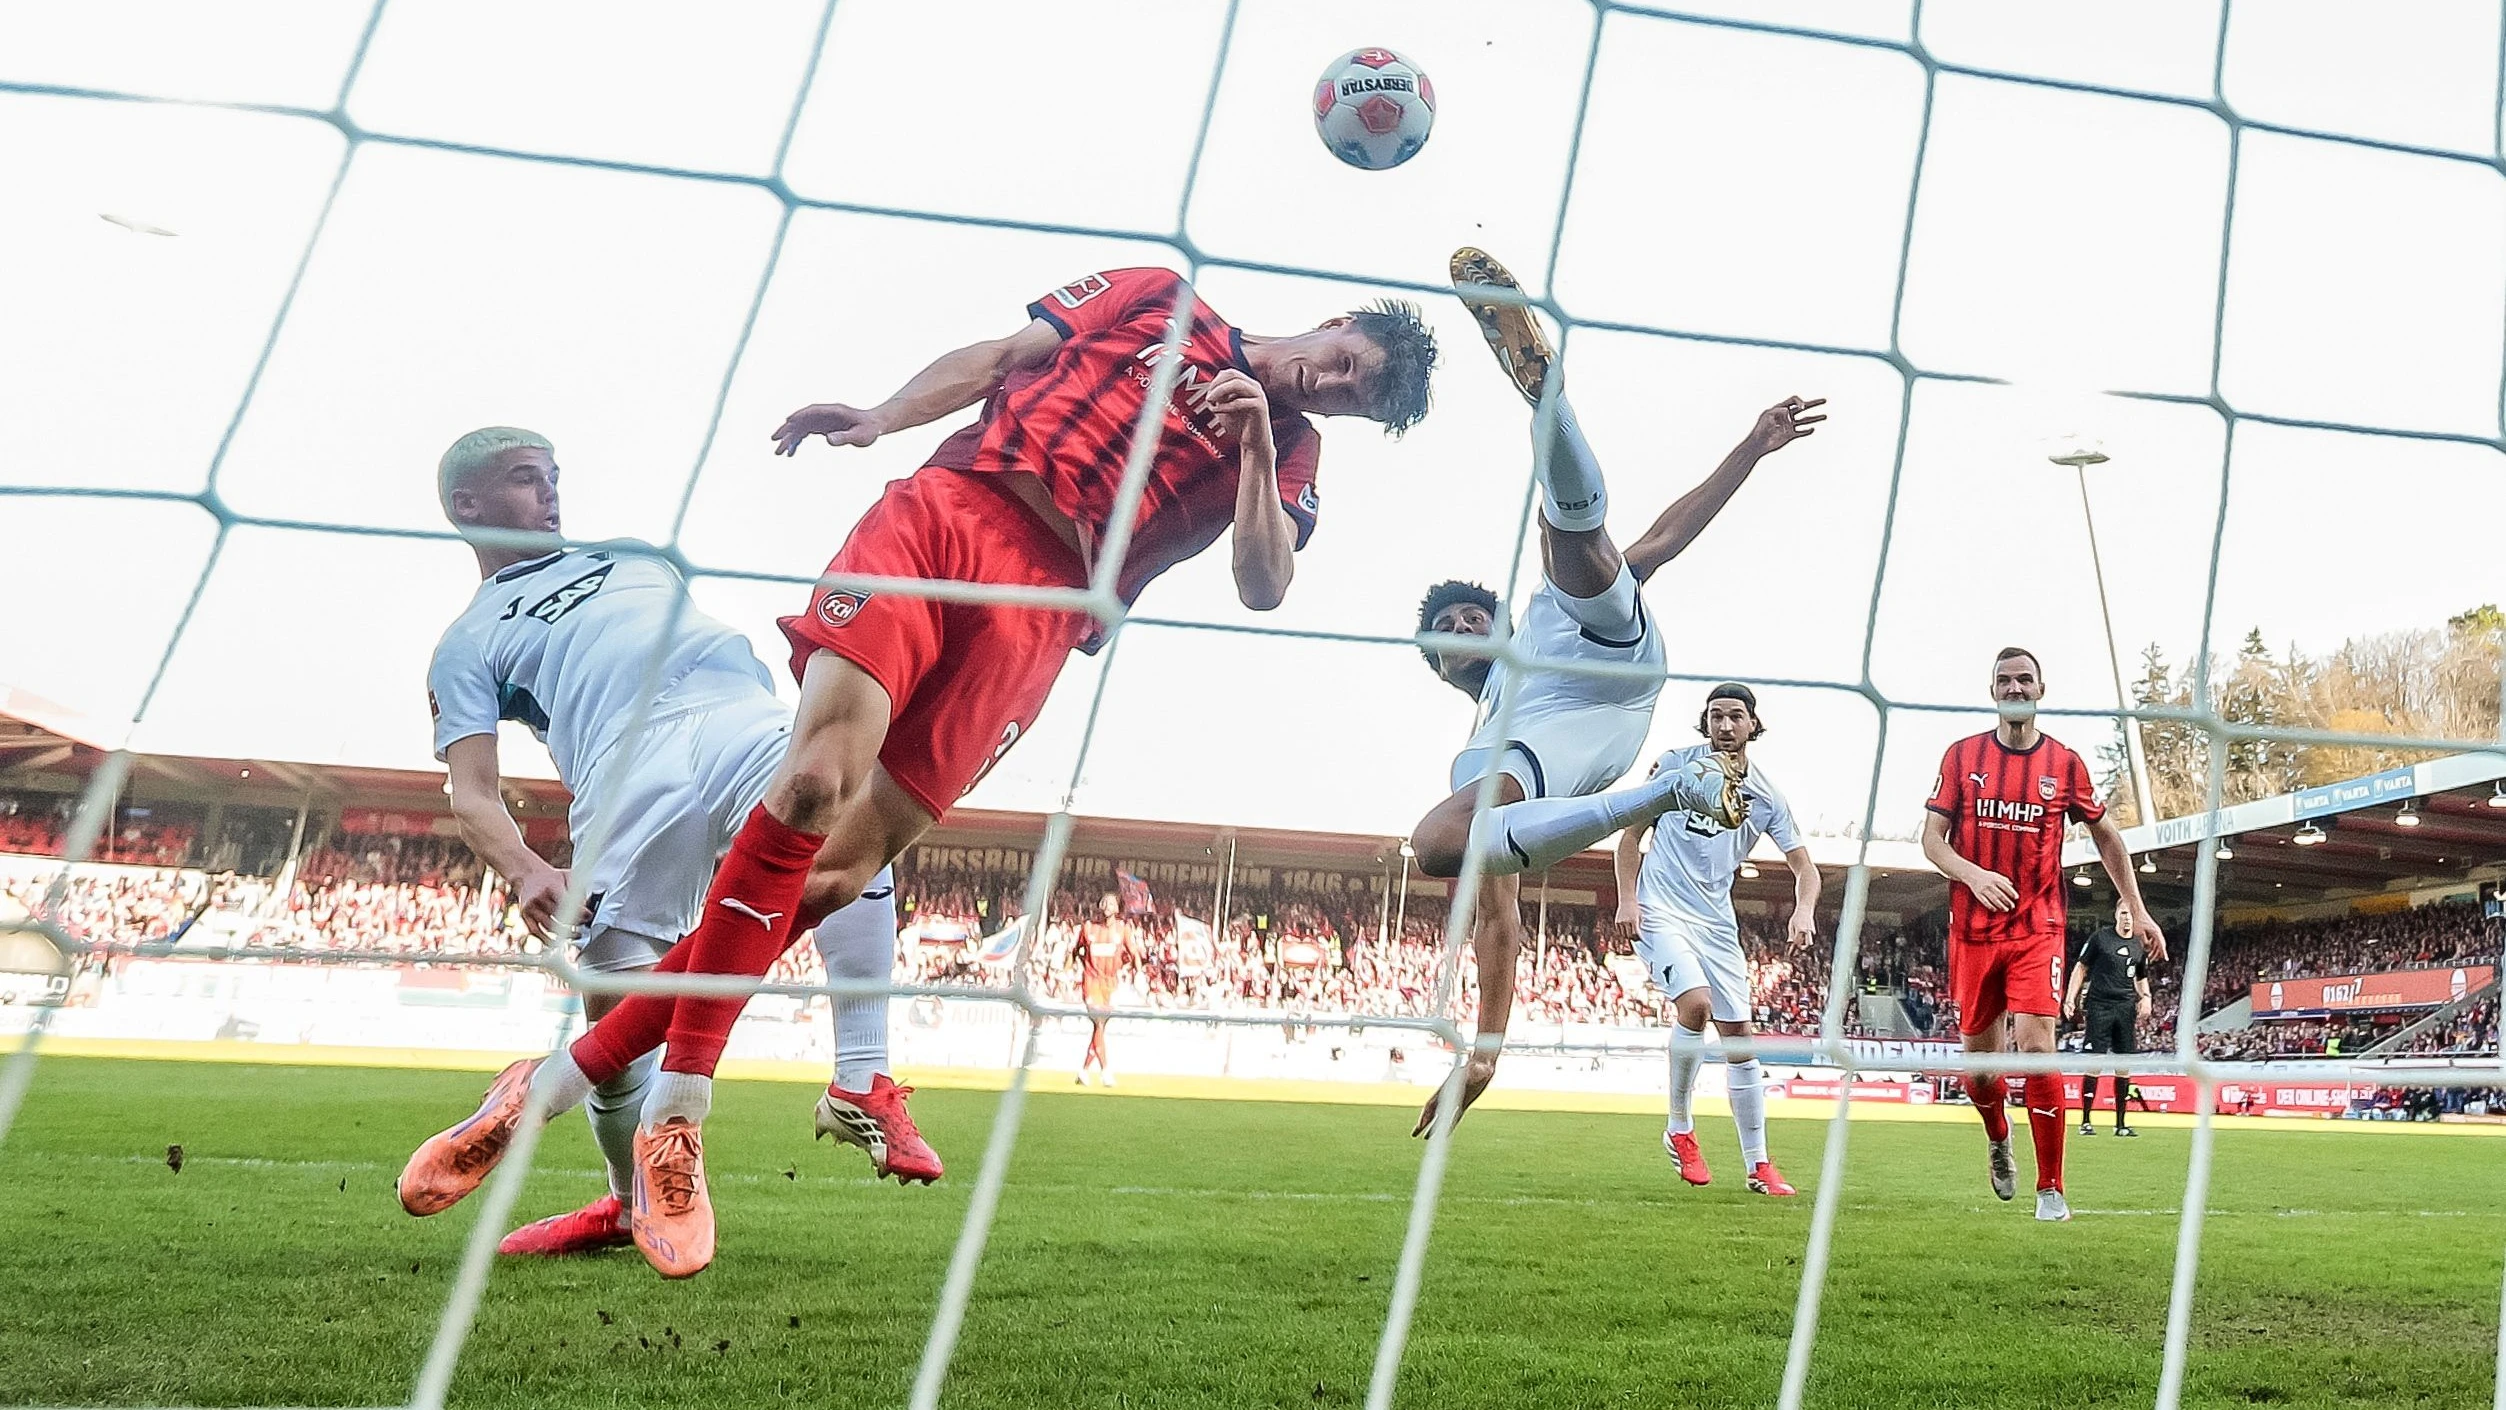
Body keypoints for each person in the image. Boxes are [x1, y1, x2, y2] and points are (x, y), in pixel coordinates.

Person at [402, 269, 1439, 1276]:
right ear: (1335, 320)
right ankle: (681, 1117)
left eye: (1352, 397)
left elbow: (1264, 583)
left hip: (1043, 614)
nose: (1332, 386)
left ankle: (548, 1085)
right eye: (1342, 362)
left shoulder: (1289, 448)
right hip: (948, 511)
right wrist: (882, 415)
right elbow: (999, 357)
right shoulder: (1157, 296)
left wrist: (1258, 443)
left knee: (836, 878)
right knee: (810, 785)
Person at [397, 428, 940, 1270]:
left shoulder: (635, 557)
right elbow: (471, 789)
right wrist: (528, 869)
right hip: (622, 773)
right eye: (522, 480)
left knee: (848, 817)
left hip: (733, 714)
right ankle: (627, 1201)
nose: (548, 492)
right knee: (616, 1032)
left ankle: (862, 1075)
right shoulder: (466, 642)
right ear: (467, 506)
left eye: (551, 475)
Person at [1406, 248, 1822, 1134]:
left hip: (1599, 642)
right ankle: (1663, 792)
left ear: (1490, 618)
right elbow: (1498, 926)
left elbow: (1664, 539)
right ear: (1442, 670)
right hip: (1589, 729)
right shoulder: (1479, 753)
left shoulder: (1537, 618)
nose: (1460, 634)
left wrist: (1749, 447)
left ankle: (1544, 398)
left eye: (1467, 617)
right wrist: (1483, 1055)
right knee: (1442, 842)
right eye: (1443, 641)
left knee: (1579, 548)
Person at [1922, 647, 2167, 1223]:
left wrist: (2137, 906)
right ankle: (1997, 1133)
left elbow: (2107, 836)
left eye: (2024, 679)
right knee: (1981, 1070)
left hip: (2039, 927)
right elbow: (1932, 840)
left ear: (2040, 689)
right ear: (1993, 691)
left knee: (2036, 1048)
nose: (2015, 687)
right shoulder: (1962, 757)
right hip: (1975, 932)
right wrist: (1973, 874)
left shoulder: (2065, 763)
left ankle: (2051, 1189)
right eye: (2004, 679)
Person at [1613, 685, 1818, 1195]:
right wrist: (1627, 900)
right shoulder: (1675, 768)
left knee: (1741, 1044)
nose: (1725, 725)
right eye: (1716, 717)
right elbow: (1630, 836)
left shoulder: (1766, 794)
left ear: (1753, 725)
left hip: (1717, 923)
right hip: (1661, 908)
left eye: (1735, 717)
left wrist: (1804, 910)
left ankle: (1759, 1164)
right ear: (1705, 723)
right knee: (1696, 1005)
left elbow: (1804, 866)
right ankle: (1680, 1128)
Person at [2064, 898, 2153, 1138]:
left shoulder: (2138, 945)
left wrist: (2146, 997)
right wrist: (2070, 998)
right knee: (2095, 1060)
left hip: (2125, 1007)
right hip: (2099, 1004)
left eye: (2130, 914)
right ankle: (2085, 1121)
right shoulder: (2100, 939)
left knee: (2124, 1065)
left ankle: (2121, 1124)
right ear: (2116, 915)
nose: (2127, 918)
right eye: (2123, 913)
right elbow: (2081, 967)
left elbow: (2141, 975)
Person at [1073, 892, 1136, 1087]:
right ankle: (1106, 1071)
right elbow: (1076, 950)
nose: (1107, 905)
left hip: (1110, 984)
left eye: (1111, 903)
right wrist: (1073, 968)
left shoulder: (1123, 930)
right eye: (1104, 902)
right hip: (1091, 982)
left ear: (1117, 908)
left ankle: (1084, 1071)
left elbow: (1134, 954)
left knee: (1099, 1028)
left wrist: (1133, 971)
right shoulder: (1089, 928)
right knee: (1099, 1024)